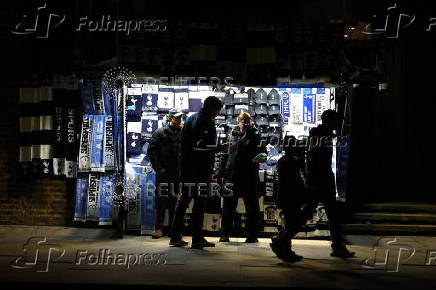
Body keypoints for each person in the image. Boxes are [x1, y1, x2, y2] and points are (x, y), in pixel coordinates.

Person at [270, 109, 355, 261]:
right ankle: (282, 238)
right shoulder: (321, 136)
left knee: (325, 214)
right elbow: (315, 159)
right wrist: (313, 179)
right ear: (330, 121)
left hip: (320, 179)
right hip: (321, 180)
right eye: (335, 120)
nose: (338, 123)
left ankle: (337, 246)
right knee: (309, 214)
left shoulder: (321, 135)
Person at [169, 96, 227, 249]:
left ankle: (175, 236)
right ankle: (196, 238)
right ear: (212, 108)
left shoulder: (190, 119)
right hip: (200, 170)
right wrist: (221, 147)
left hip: (187, 169)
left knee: (183, 203)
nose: (218, 113)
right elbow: (204, 147)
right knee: (199, 204)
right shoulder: (206, 121)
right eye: (218, 110)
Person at [216, 112, 267, 243]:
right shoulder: (231, 135)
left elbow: (263, 154)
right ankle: (224, 234)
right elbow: (224, 155)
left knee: (252, 207)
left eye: (247, 120)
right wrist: (219, 173)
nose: (245, 123)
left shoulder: (256, 135)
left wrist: (254, 163)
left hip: (249, 177)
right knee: (228, 207)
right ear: (238, 122)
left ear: (251, 122)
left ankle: (252, 236)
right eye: (242, 120)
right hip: (231, 176)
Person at [147, 108, 184, 239]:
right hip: (163, 174)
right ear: (170, 118)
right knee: (161, 201)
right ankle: (158, 229)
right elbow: (151, 152)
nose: (180, 120)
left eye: (181, 118)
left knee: (175, 202)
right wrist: (159, 168)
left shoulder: (183, 133)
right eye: (177, 118)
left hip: (177, 174)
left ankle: (173, 230)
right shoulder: (160, 132)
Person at [270, 135, 307, 262]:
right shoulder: (292, 162)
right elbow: (296, 180)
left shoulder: (284, 161)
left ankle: (285, 249)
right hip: (291, 197)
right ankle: (279, 241)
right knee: (294, 224)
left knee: (291, 223)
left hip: (287, 196)